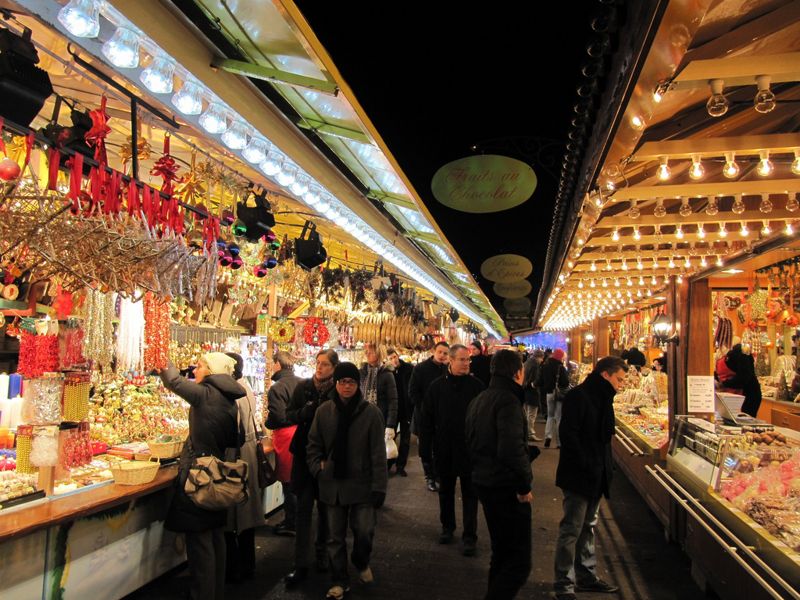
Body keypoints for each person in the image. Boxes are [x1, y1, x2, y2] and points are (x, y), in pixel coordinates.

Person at [160, 352, 244, 600]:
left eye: (199, 366)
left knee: (201, 545)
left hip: (200, 477)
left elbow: (174, 381)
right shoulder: (230, 398)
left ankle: (203, 595)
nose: (194, 370)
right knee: (216, 538)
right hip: (217, 472)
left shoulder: (206, 394)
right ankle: (215, 592)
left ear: (211, 370)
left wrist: (161, 355)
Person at [307, 362, 388, 600]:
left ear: (357, 384)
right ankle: (339, 579)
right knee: (334, 537)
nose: (347, 386)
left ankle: (360, 560)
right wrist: (317, 469)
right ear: (336, 383)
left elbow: (377, 454)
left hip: (362, 483)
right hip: (333, 485)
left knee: (364, 530)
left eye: (351, 382)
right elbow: (313, 445)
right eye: (342, 382)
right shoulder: (324, 412)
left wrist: (379, 487)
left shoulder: (371, 413)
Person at [553, 356, 628, 600]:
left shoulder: (604, 398)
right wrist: (587, 464)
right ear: (605, 375)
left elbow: (604, 437)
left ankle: (585, 576)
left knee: (588, 527)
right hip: (580, 474)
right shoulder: (580, 396)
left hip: (597, 474)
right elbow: (569, 435)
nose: (621, 384)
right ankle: (563, 582)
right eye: (619, 379)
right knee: (572, 528)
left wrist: (605, 469)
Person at [465, 349, 533, 600]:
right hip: (505, 488)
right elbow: (511, 450)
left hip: (484, 481)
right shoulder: (508, 401)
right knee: (518, 563)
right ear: (518, 373)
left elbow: (472, 440)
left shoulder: (481, 398)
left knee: (501, 554)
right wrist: (524, 486)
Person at [421, 343, 485, 555]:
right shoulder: (437, 387)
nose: (466, 363)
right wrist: (425, 450)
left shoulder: (477, 387)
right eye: (462, 360)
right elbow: (427, 420)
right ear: (450, 360)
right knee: (445, 491)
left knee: (470, 494)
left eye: (468, 360)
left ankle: (470, 536)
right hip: (444, 448)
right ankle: (447, 527)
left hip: (469, 450)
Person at [284, 349, 339, 586]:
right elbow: (288, 416)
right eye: (318, 363)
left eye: (325, 364)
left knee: (326, 511)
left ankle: (322, 554)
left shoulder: (338, 390)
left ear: (334, 368)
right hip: (304, 456)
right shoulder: (303, 387)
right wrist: (303, 412)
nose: (320, 367)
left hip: (326, 458)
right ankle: (300, 564)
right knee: (303, 510)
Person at [223, 352, 266, 583]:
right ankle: (247, 564)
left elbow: (234, 430)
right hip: (247, 451)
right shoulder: (245, 387)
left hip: (236, 454)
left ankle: (233, 568)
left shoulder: (233, 392)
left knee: (232, 511)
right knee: (245, 511)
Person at [266, 351, 303, 536]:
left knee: (289, 482)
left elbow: (279, 417)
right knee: (297, 479)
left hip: (286, 436)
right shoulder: (302, 382)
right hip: (301, 433)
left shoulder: (277, 388)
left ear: (278, 365)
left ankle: (292, 523)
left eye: (273, 364)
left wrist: (268, 423)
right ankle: (296, 519)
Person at [409, 340, 450, 492]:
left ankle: (438, 475)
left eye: (445, 353)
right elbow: (413, 391)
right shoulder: (420, 369)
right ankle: (429, 477)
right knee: (425, 448)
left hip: (443, 416)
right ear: (434, 351)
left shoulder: (447, 370)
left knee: (440, 447)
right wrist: (424, 408)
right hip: (424, 416)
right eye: (440, 352)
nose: (442, 355)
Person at [359, 343, 399, 457]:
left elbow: (393, 401)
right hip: (363, 418)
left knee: (378, 452)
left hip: (380, 419)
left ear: (379, 353)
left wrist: (390, 425)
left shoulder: (387, 374)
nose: (367, 353)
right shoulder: (362, 372)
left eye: (370, 351)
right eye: (366, 351)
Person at [387, 348, 413, 476]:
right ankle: (388, 463)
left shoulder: (408, 369)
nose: (394, 360)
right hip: (393, 410)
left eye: (394, 356)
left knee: (405, 439)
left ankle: (400, 466)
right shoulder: (387, 372)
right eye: (390, 358)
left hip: (406, 409)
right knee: (390, 436)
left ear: (397, 356)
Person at [720, 343, 762, 417]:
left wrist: (724, 383)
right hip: (746, 393)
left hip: (748, 395)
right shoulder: (737, 351)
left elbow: (744, 377)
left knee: (745, 421)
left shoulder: (740, 351)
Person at [541, 348, 569, 448]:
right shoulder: (561, 367)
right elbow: (566, 382)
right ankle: (559, 442)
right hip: (559, 395)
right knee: (558, 418)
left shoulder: (545, 366)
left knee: (550, 416)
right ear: (560, 357)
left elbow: (540, 380)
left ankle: (547, 437)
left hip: (549, 393)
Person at [522, 349, 545, 443]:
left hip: (525, 391)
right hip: (532, 392)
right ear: (539, 357)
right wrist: (534, 385)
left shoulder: (527, 362)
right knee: (532, 414)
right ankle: (530, 433)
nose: (542, 360)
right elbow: (534, 379)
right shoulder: (535, 365)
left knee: (527, 413)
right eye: (542, 358)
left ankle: (526, 433)